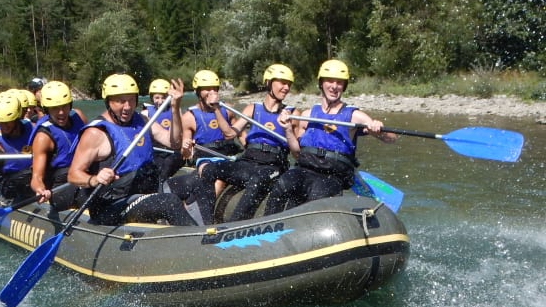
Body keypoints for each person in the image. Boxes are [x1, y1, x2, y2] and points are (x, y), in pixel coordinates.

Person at [263, 59, 397, 214]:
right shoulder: (307, 115)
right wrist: (287, 129)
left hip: (332, 176)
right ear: (321, 83)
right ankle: (267, 226)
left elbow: (391, 138)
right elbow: (297, 152)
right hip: (305, 169)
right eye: (330, 81)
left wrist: (377, 129)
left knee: (315, 197)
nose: (334, 86)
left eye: (339, 83)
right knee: (283, 184)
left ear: (344, 86)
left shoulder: (354, 116)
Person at [67, 73, 196, 226]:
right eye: (121, 101)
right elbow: (73, 175)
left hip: (149, 190)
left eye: (131, 100)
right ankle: (200, 243)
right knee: (168, 202)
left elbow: (174, 143)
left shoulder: (142, 121)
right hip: (114, 205)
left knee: (195, 181)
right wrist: (94, 179)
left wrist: (175, 107)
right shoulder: (95, 133)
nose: (127, 107)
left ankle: (207, 231)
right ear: (108, 102)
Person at [198, 64, 301, 223]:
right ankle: (205, 222)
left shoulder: (293, 113)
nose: (286, 88)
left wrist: (288, 129)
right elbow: (229, 134)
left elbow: (298, 152)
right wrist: (217, 109)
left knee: (257, 180)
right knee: (209, 171)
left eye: (289, 84)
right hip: (248, 161)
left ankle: (233, 226)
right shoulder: (252, 109)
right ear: (269, 83)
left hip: (273, 165)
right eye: (282, 82)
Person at [165, 69, 239, 224]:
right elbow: (186, 154)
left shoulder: (228, 110)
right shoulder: (189, 117)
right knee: (219, 180)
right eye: (207, 89)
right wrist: (186, 147)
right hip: (206, 158)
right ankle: (194, 214)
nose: (211, 92)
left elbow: (237, 135)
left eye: (214, 89)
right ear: (198, 92)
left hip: (227, 156)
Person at [29, 80, 88, 209]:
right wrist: (40, 189)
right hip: (60, 186)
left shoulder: (79, 116)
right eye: (55, 108)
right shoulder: (43, 137)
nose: (61, 112)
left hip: (83, 174)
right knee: (90, 194)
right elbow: (36, 177)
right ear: (47, 109)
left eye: (64, 106)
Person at [142, 78, 183, 182]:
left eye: (164, 97)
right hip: (156, 151)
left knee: (167, 164)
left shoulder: (177, 111)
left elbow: (182, 131)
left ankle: (163, 185)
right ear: (152, 98)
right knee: (155, 166)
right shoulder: (145, 114)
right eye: (157, 97)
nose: (160, 101)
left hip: (173, 151)